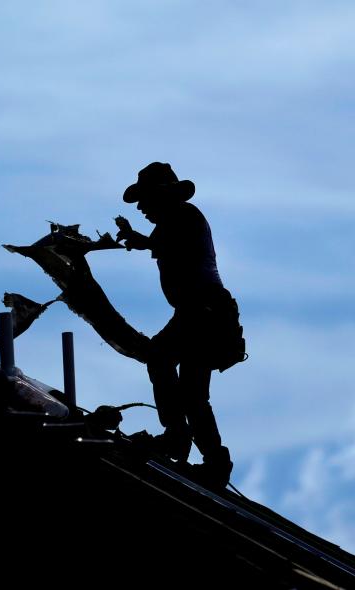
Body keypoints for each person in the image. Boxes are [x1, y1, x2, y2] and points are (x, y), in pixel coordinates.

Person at [116, 162, 244, 488]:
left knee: (161, 360)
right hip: (201, 311)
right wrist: (138, 239)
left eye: (145, 199)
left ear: (162, 195)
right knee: (191, 392)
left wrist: (139, 240)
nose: (142, 207)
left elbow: (167, 244)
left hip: (203, 311)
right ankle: (209, 457)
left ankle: (179, 438)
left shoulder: (184, 216)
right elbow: (161, 243)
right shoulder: (174, 221)